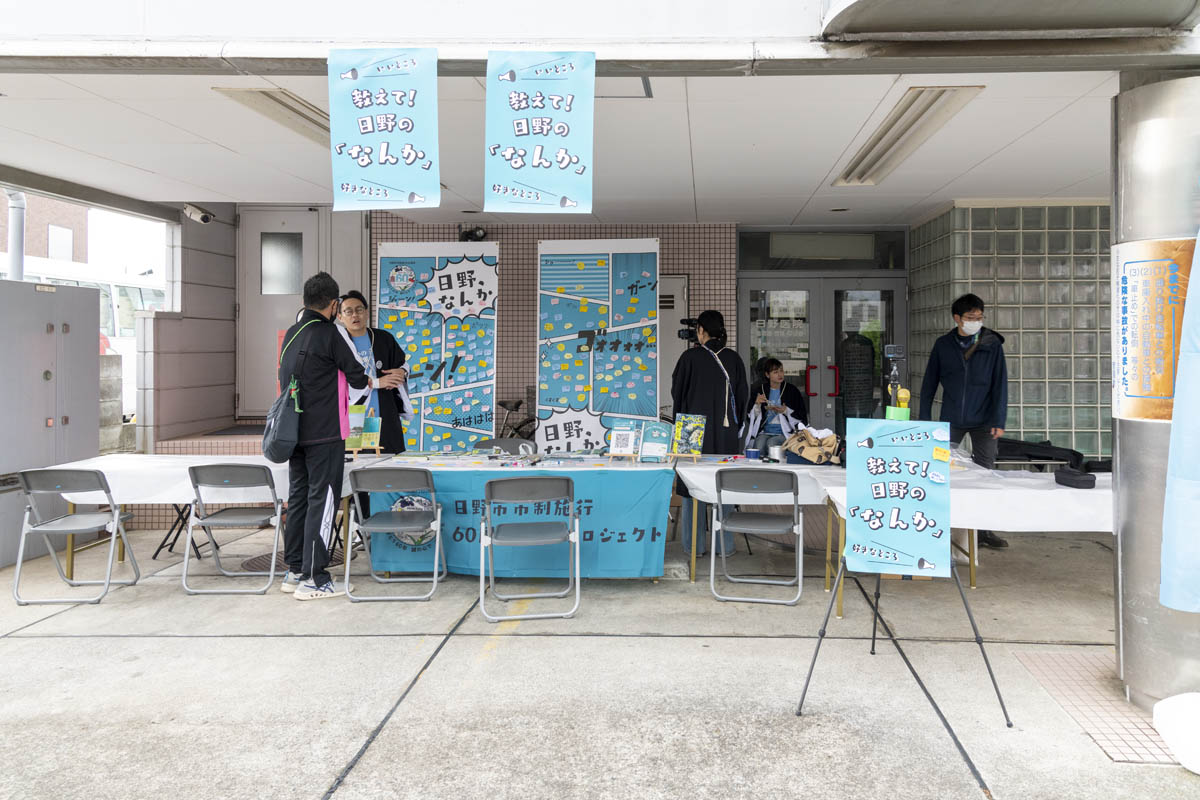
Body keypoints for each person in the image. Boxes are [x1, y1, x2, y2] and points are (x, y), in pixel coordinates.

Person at [278, 272, 374, 600]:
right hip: (326, 433)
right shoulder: (330, 334)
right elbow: (359, 377)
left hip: (294, 434)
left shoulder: (291, 334)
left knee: (300, 498)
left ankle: (294, 570)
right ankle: (315, 579)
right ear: (334, 305)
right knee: (325, 500)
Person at [919, 293, 1010, 548]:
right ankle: (937, 526)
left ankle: (983, 531)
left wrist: (998, 420)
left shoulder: (992, 344)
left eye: (979, 317)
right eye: (971, 317)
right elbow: (929, 385)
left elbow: (1000, 385)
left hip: (984, 420)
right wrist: (926, 420)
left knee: (985, 474)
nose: (976, 321)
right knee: (940, 471)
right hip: (950, 419)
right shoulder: (943, 345)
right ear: (957, 318)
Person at [671, 310, 749, 556]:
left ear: (702, 331)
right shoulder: (733, 359)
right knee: (721, 485)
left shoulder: (689, 357)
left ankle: (693, 547)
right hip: (725, 431)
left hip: (690, 429)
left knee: (691, 487)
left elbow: (678, 393)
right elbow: (743, 397)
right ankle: (724, 546)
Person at [337, 290, 411, 453]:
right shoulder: (337, 344)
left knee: (389, 460)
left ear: (367, 312)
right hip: (352, 415)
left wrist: (402, 372)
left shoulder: (384, 338)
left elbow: (403, 364)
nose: (355, 315)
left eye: (359, 309)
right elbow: (336, 380)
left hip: (384, 411)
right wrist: (377, 382)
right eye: (348, 311)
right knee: (353, 462)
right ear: (340, 317)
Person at [742, 357, 808, 453]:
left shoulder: (791, 390)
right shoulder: (760, 390)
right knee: (758, 446)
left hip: (785, 432)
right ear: (767, 375)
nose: (780, 374)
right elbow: (751, 417)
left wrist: (785, 411)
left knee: (772, 444)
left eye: (781, 371)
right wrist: (757, 404)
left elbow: (801, 415)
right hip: (765, 431)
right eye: (775, 372)